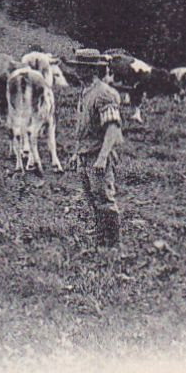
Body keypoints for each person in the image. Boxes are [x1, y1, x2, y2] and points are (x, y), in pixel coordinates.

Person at [74, 68, 127, 248]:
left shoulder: (104, 94)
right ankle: (101, 237)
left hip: (97, 154)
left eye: (80, 66)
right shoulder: (86, 91)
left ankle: (113, 244)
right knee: (92, 197)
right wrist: (77, 153)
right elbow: (84, 127)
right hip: (85, 153)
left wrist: (103, 158)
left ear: (92, 69)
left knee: (104, 198)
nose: (76, 70)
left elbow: (112, 128)